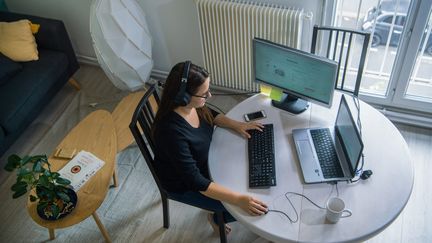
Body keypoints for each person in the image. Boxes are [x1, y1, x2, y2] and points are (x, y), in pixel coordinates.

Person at [152, 61, 268, 234]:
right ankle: (215, 218)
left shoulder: (193, 106)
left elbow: (211, 116)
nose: (210, 96)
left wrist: (237, 125)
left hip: (206, 163)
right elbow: (197, 182)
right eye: (204, 94)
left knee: (250, 178)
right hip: (185, 185)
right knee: (246, 209)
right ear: (183, 96)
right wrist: (239, 200)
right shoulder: (171, 132)